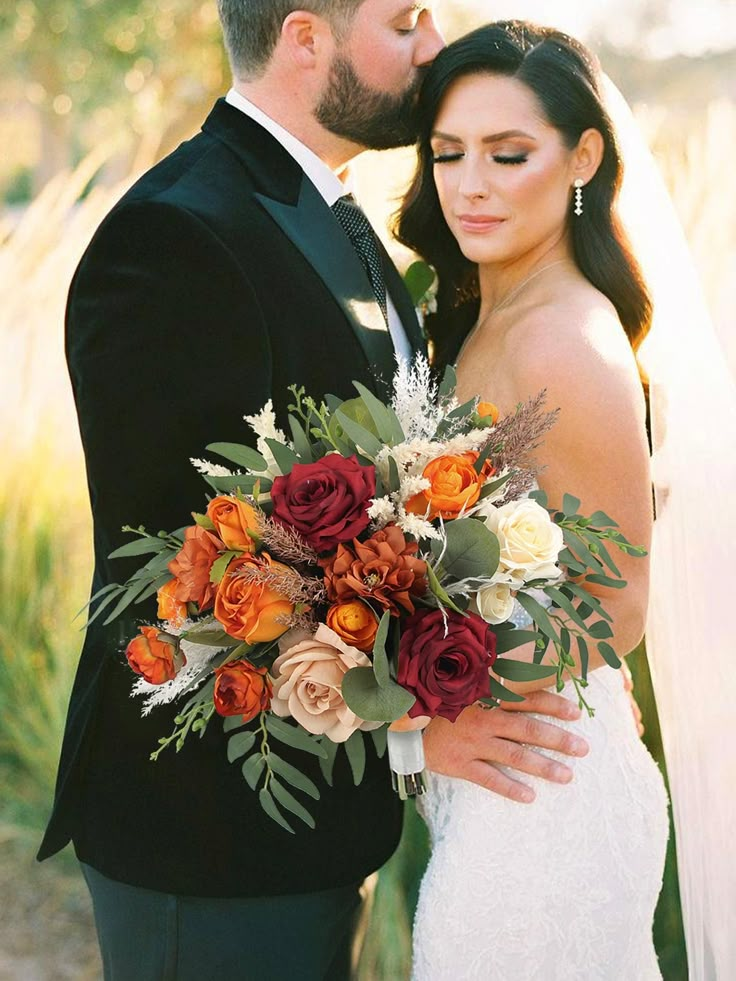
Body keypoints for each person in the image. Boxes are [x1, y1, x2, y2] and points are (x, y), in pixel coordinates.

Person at [38, 5, 591, 979]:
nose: (432, 47)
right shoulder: (178, 234)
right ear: (307, 37)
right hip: (208, 842)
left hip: (311, 831)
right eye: (405, 20)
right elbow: (183, 575)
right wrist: (415, 736)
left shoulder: (327, 212)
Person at [397, 21, 670, 979]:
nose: (470, 185)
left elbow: (620, 605)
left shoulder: (565, 340)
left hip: (541, 784)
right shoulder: (481, 308)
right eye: (448, 154)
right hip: (496, 773)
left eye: (509, 155)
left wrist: (424, 707)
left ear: (582, 156)